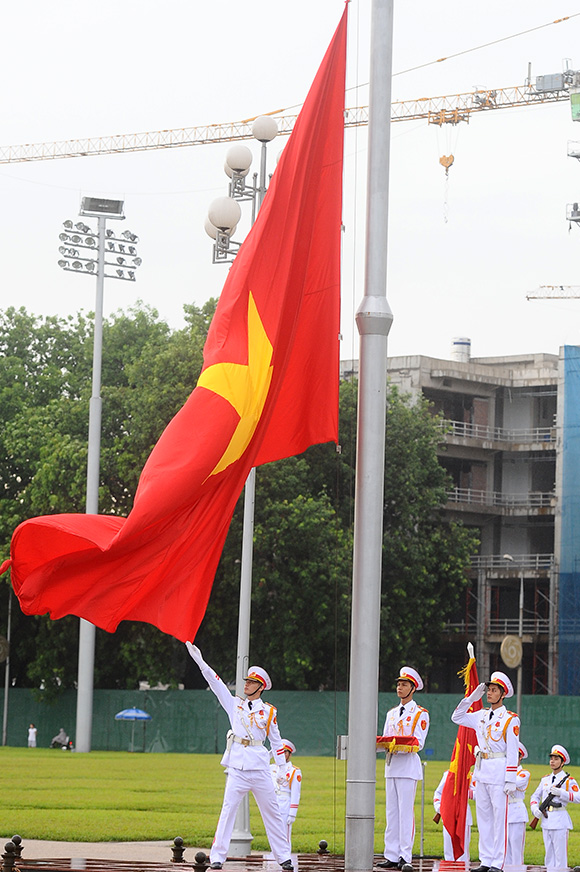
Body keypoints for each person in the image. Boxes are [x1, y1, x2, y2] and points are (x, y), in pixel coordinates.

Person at [186, 642, 293, 872]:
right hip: (237, 768)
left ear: (261, 687)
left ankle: (284, 856)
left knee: (273, 813)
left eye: (252, 682)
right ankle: (217, 856)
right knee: (227, 812)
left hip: (260, 769)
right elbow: (216, 684)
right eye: (247, 681)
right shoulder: (235, 705)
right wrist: (200, 662)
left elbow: (276, 742)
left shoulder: (269, 712)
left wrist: (283, 769)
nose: (246, 684)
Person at [451, 670, 520, 872]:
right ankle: (486, 861)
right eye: (488, 689)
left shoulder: (510, 719)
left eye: (494, 690)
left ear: (503, 694)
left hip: (499, 771)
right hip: (482, 771)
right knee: (484, 819)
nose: (489, 693)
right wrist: (471, 698)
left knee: (499, 820)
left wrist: (510, 779)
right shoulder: (480, 715)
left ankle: (498, 863)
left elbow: (513, 751)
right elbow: (456, 717)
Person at [376, 666, 430, 870]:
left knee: (405, 813)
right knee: (391, 813)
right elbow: (385, 738)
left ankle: (405, 856)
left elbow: (418, 742)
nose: (400, 687)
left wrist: (396, 743)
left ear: (413, 688)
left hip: (407, 767)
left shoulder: (420, 714)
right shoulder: (391, 713)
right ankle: (391, 854)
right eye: (398, 684)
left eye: (404, 684)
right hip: (392, 766)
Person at [530, 743, 580, 869]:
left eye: (556, 759)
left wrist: (562, 793)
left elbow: (578, 797)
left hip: (559, 820)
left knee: (560, 857)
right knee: (549, 856)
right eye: (551, 758)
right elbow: (535, 796)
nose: (552, 761)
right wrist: (535, 809)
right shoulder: (545, 779)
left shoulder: (568, 780)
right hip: (546, 820)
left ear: (562, 763)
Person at [433, 768, 472, 862]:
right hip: (448, 815)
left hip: (463, 816)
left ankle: (463, 866)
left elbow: (477, 794)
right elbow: (438, 793)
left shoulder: (469, 776)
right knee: (448, 850)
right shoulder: (448, 774)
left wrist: (465, 791)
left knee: (463, 851)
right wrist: (440, 809)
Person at [270, 739, 302, 851]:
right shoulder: (271, 768)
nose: (282, 754)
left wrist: (292, 813)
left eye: (285, 752)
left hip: (285, 804)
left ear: (289, 754)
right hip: (273, 802)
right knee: (272, 831)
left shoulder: (294, 771)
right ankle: (274, 854)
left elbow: (295, 793)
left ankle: (285, 854)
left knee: (284, 833)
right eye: (279, 751)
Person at [505, 742, 530, 867]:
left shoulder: (524, 773)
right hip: (505, 812)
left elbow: (513, 784)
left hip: (516, 812)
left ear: (520, 757)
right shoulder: (504, 772)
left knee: (516, 850)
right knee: (505, 850)